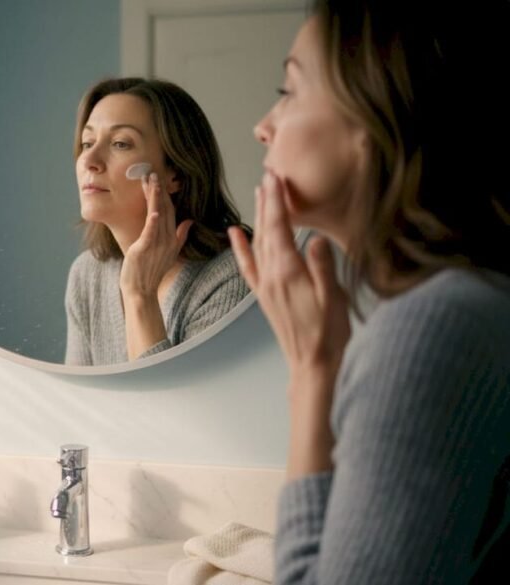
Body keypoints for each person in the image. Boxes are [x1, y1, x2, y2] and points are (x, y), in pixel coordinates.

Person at [227, 0, 510, 582]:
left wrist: (312, 375)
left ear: (375, 118)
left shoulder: (431, 329)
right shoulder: (468, 301)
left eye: (289, 90)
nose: (263, 126)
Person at [64, 77, 251, 366]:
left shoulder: (231, 280)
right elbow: (74, 397)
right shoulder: (87, 275)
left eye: (120, 143)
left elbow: (179, 397)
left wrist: (139, 295)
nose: (89, 159)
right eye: (87, 142)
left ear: (175, 174)